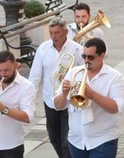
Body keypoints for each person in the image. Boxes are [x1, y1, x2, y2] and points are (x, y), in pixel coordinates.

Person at [53, 38, 124, 158]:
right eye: (84, 56)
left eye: (90, 57)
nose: (86, 61)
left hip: (103, 140)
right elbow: (57, 105)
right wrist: (64, 94)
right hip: (77, 140)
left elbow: (116, 108)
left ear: (102, 56)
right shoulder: (74, 73)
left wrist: (92, 95)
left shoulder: (115, 77)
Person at [29, 16, 84, 158]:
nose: (54, 36)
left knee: (67, 140)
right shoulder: (43, 48)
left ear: (65, 32)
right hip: (50, 100)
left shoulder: (77, 49)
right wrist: (29, 101)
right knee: (54, 138)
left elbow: (84, 73)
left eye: (57, 33)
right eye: (51, 33)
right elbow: (35, 76)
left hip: (69, 101)